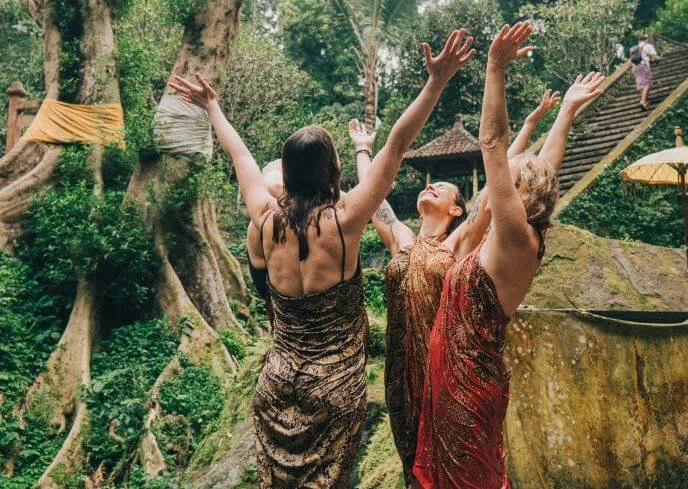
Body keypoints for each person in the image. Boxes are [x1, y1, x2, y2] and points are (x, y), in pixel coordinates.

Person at [168, 27, 476, 488]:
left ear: (288, 173)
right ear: (333, 168)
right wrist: (436, 81)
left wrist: (213, 107)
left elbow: (241, 157)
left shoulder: (265, 218)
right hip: (334, 388)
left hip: (276, 383)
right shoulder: (346, 219)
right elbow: (396, 145)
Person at [413, 22, 605, 489]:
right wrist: (566, 112)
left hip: (467, 386)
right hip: (452, 377)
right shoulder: (513, 233)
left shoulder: (517, 237)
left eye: (509, 174)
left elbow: (494, 142)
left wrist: (495, 67)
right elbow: (547, 169)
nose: (499, 176)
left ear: (519, 191)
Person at [349, 88, 560, 485]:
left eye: (442, 188)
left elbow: (499, 180)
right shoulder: (401, 240)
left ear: (457, 208)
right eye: (430, 185)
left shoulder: (461, 241)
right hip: (399, 373)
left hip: (444, 369)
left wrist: (530, 127)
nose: (430, 188)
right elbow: (373, 199)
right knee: (413, 465)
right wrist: (363, 149)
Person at [631, 34, 659, 110]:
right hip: (643, 66)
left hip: (635, 67)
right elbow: (654, 57)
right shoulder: (648, 46)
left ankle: (645, 101)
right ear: (647, 39)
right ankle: (643, 101)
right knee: (647, 84)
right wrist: (654, 60)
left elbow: (630, 61)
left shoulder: (635, 48)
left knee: (641, 84)